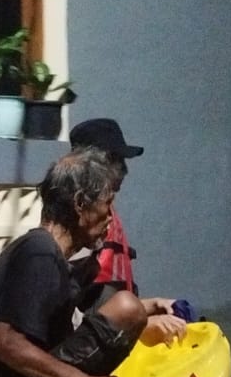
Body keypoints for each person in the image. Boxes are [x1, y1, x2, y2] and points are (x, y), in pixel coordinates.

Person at [0, 149, 149, 377]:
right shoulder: (40, 252)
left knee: (116, 299)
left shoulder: (46, 253)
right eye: (108, 204)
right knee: (128, 309)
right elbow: (5, 343)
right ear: (81, 204)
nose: (111, 217)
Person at [67, 118, 190, 345]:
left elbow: (104, 306)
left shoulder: (102, 215)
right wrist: (140, 328)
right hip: (86, 351)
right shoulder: (78, 226)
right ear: (93, 166)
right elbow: (68, 319)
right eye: (116, 160)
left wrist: (151, 306)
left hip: (108, 336)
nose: (124, 170)